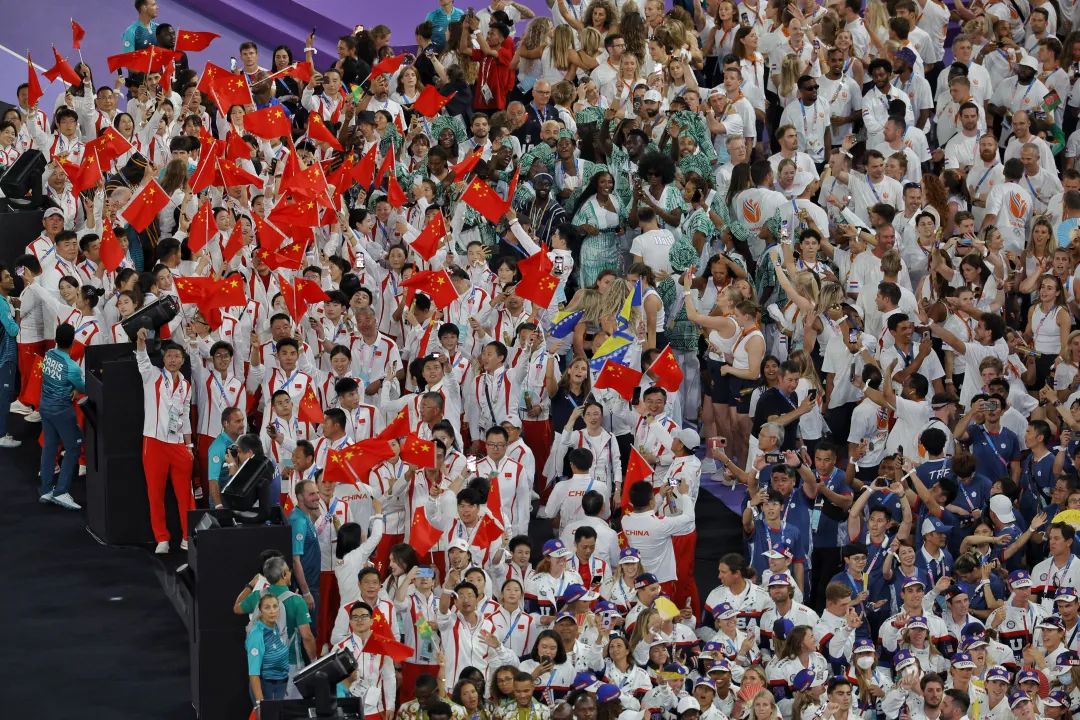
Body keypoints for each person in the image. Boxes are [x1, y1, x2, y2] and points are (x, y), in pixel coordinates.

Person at [134, 328, 194, 554]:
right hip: (154, 443)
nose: (172, 360)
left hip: (178, 445)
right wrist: (140, 341)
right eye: (169, 356)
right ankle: (162, 538)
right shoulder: (153, 376)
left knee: (185, 494)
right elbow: (142, 359)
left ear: (183, 360)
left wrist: (189, 446)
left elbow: (186, 417)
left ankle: (187, 536)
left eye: (177, 356)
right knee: (155, 493)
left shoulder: (186, 385)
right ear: (164, 359)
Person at [37, 322, 85, 510]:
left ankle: (46, 489)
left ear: (56, 339)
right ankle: (61, 492)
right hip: (62, 412)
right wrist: (76, 388)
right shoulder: (72, 368)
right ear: (73, 342)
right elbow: (82, 387)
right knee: (74, 446)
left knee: (50, 446)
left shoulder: (48, 354)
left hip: (45, 408)